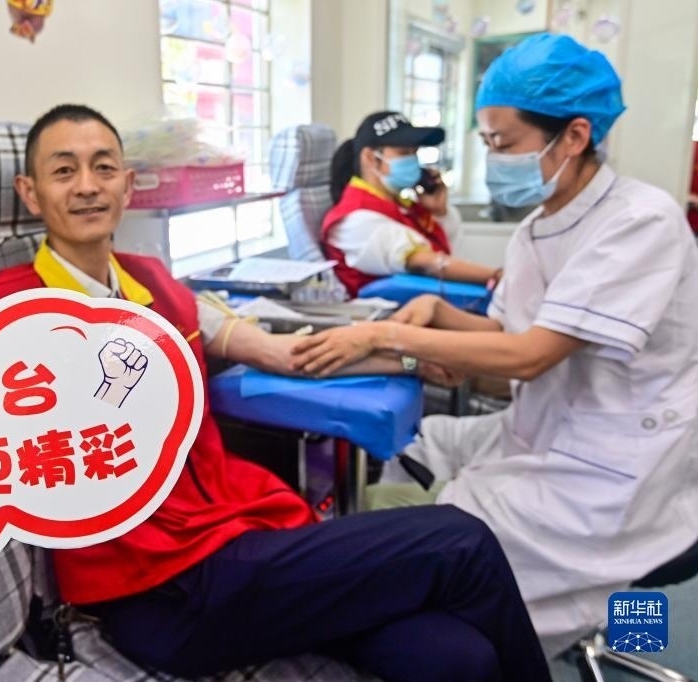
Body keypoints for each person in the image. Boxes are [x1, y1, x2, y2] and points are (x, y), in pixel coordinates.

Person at [0, 104, 552, 681]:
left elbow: (283, 352)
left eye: (102, 168)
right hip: (162, 590)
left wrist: (403, 356)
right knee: (456, 540)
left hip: (240, 542)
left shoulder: (158, 284)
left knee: (456, 659)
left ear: (128, 185)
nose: (86, 185)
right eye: (63, 171)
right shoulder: (1, 317)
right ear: (32, 195)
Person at [293, 33, 698, 654]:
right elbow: (508, 336)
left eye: (504, 144)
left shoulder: (639, 221)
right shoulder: (537, 229)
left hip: (622, 460)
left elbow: (531, 355)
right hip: (546, 427)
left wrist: (385, 333)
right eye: (486, 143)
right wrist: (437, 318)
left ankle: (619, 637)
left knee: (458, 543)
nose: (492, 159)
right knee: (423, 444)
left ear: (575, 136)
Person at [323, 111, 499, 298]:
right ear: (370, 158)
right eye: (404, 153)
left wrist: (439, 213)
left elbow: (448, 251)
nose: (413, 161)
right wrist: (498, 276)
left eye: (415, 152)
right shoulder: (355, 217)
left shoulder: (404, 207)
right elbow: (427, 263)